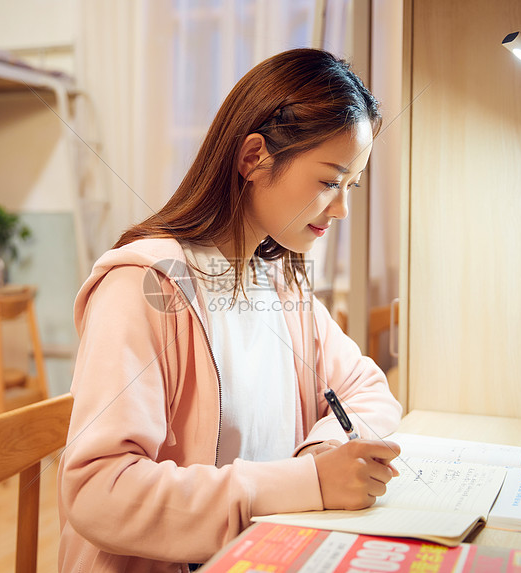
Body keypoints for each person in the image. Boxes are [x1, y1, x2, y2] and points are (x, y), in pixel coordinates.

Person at [58, 48, 403, 573]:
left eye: (351, 186)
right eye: (331, 181)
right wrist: (304, 484)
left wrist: (320, 457)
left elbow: (368, 389)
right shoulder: (147, 286)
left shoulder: (280, 282)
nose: (342, 209)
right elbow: (97, 490)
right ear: (252, 158)